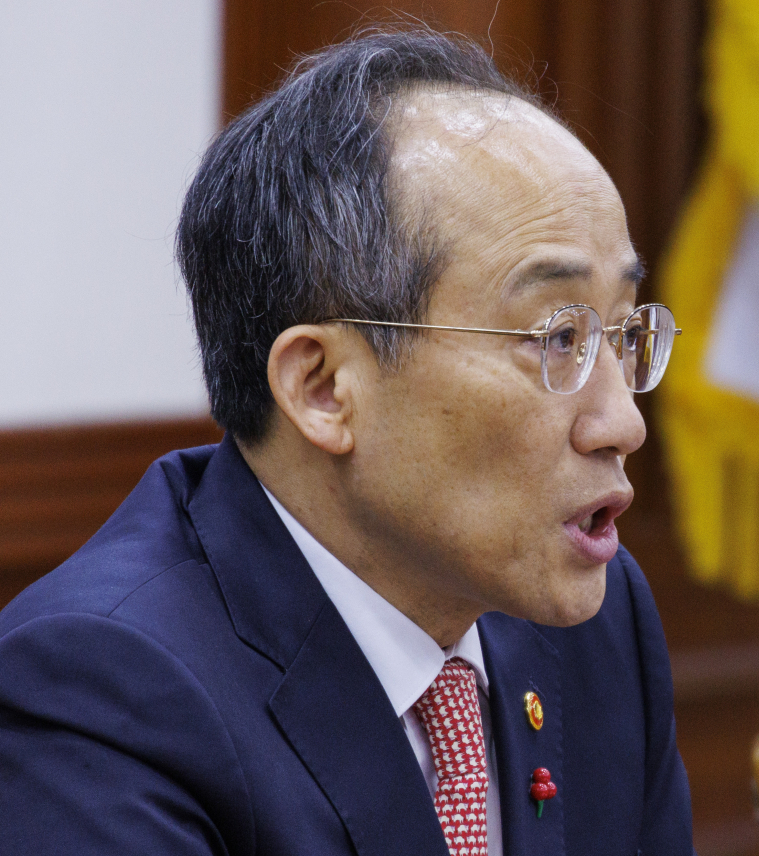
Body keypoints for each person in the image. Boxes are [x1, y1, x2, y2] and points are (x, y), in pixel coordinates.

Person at [0, 29, 693, 856]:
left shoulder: (595, 619)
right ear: (323, 388)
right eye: (554, 337)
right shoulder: (100, 696)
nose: (623, 422)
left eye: (619, 333)